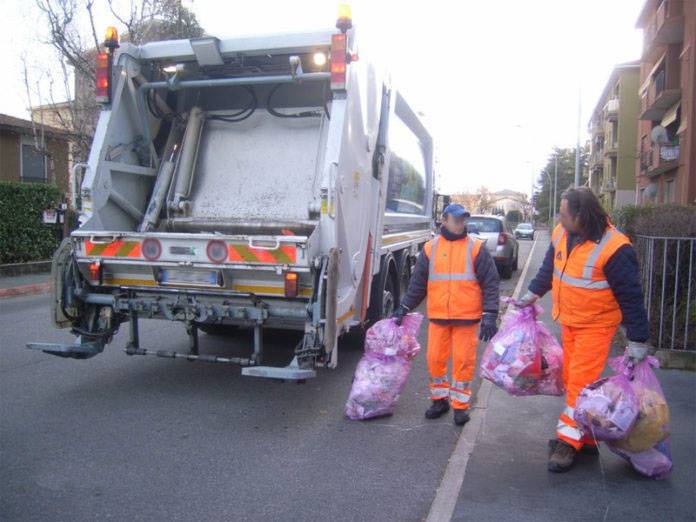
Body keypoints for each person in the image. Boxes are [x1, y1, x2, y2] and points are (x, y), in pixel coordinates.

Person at [517, 187, 650, 472]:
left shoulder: (615, 247)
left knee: (579, 383)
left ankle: (567, 443)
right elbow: (548, 270)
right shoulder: (562, 234)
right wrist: (532, 293)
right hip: (570, 321)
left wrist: (638, 339)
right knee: (572, 379)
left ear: (581, 215)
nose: (560, 219)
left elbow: (631, 296)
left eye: (564, 215)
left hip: (597, 326)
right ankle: (587, 437)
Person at [392, 203, 500, 426]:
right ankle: (439, 400)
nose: (461, 223)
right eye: (457, 219)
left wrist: (490, 314)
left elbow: (490, 283)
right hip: (439, 317)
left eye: (463, 220)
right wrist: (404, 307)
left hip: (466, 318)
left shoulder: (475, 248)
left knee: (463, 363)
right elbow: (418, 284)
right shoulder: (431, 248)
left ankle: (460, 407)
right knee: (435, 360)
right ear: (445, 220)